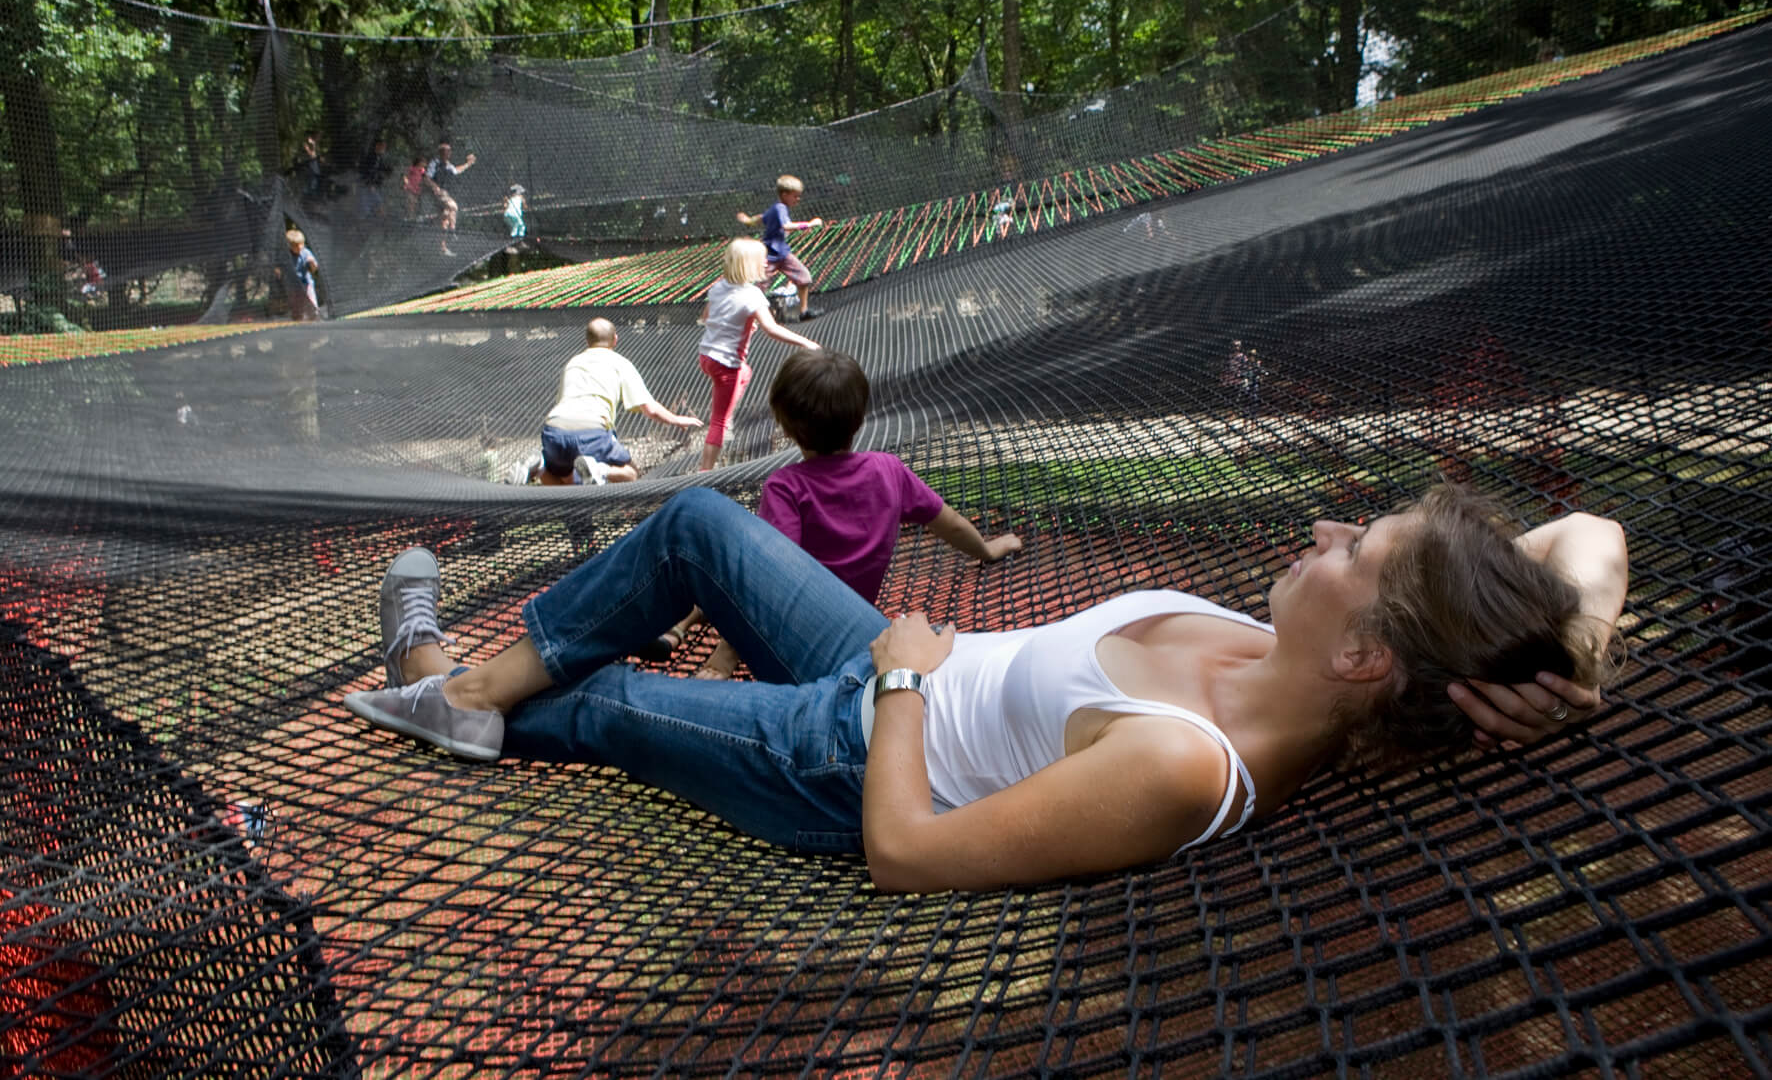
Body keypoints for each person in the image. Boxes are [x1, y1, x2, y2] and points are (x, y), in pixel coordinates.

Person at [344, 481, 1628, 893]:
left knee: (620, 700)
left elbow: (904, 852)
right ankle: (453, 687)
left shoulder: (1187, 760)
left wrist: (900, 682)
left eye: (1358, 546)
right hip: (890, 660)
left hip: (846, 751)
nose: (1329, 530)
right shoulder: (1298, 654)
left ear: (1365, 656)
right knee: (691, 518)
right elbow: (1587, 531)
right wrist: (1571, 646)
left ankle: (432, 677)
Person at [652, 349, 1023, 676]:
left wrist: (727, 653)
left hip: (789, 639)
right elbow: (953, 524)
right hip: (851, 627)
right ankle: (677, 628)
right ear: (859, 419)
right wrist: (986, 550)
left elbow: (769, 579)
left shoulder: (787, 487)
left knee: (716, 556)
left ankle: (678, 625)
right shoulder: (888, 469)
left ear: (783, 425)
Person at [697, 237, 820, 473]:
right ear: (748, 265)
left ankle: (727, 408)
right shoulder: (752, 294)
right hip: (726, 365)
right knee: (719, 421)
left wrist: (740, 323)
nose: (766, 263)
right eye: (762, 260)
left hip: (706, 357)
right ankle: (705, 471)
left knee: (747, 372)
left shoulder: (719, 286)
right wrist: (805, 342)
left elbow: (706, 317)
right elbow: (772, 329)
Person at [538, 317, 702, 487]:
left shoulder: (573, 363)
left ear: (587, 341)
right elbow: (650, 409)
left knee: (565, 479)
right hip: (591, 430)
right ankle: (600, 470)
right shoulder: (620, 363)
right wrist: (676, 419)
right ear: (615, 339)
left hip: (554, 429)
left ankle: (539, 468)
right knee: (631, 474)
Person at [736, 175, 825, 321]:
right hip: (769, 257)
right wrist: (809, 224)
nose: (798, 199)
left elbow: (761, 218)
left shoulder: (775, 209)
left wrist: (748, 221)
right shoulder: (780, 208)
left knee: (804, 278)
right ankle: (748, 317)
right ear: (784, 195)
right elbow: (786, 226)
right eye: (795, 196)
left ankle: (804, 311)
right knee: (759, 288)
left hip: (783, 254)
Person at [426, 140, 477, 256]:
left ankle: (442, 248)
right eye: (446, 152)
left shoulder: (448, 165)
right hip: (439, 193)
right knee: (453, 206)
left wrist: (468, 164)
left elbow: (456, 170)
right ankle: (453, 232)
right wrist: (435, 186)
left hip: (446, 194)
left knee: (444, 221)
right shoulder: (435, 163)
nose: (449, 154)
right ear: (442, 153)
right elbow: (427, 178)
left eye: (449, 152)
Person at [274, 229, 320, 322]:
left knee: (312, 305)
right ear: (290, 246)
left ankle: (314, 320)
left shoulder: (306, 252)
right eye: (296, 246)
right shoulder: (286, 255)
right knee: (296, 308)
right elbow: (278, 267)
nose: (299, 247)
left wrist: (312, 263)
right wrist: (278, 271)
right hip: (293, 286)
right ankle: (298, 323)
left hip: (306, 284)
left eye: (301, 244)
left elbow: (314, 269)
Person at [356, 137, 392, 219]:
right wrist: (370, 184)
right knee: (369, 205)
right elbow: (366, 171)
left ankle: (371, 221)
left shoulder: (379, 157)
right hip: (367, 185)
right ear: (377, 146)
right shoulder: (370, 157)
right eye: (383, 146)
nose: (384, 148)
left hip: (374, 185)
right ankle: (364, 222)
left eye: (385, 146)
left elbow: (380, 170)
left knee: (373, 204)